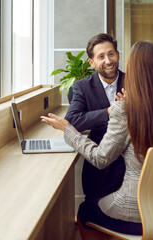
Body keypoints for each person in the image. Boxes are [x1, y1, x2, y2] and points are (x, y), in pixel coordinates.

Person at [41, 41, 153, 239]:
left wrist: (67, 129)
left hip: (134, 210)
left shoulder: (125, 109)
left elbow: (100, 158)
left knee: (85, 211)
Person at [64, 33, 126, 200]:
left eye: (111, 54)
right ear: (92, 62)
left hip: (132, 167)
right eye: (101, 56)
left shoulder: (134, 82)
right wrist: (108, 112)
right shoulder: (81, 87)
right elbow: (72, 121)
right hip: (100, 169)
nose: (108, 61)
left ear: (118, 55)